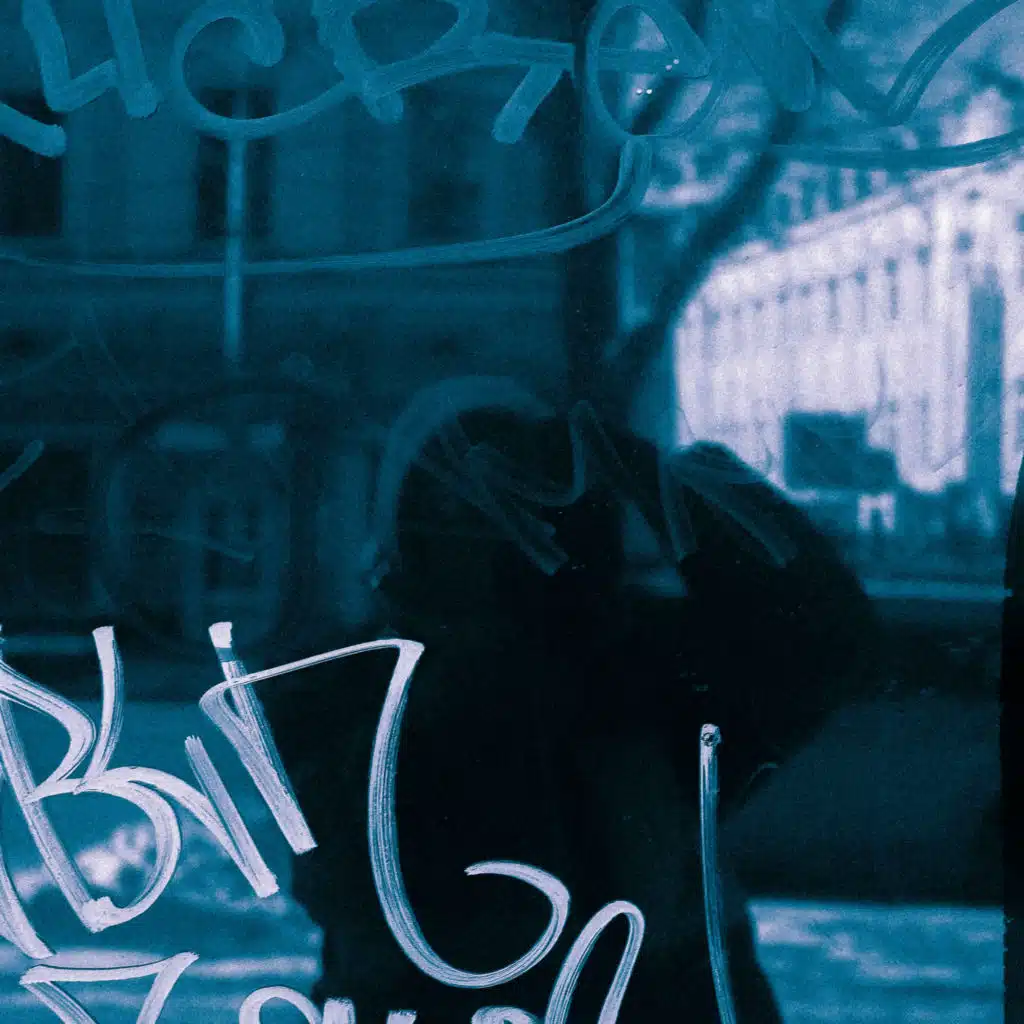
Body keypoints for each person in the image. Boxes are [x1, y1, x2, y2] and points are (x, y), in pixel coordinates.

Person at [262, 392, 881, 1021]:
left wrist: (654, 478)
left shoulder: (635, 675)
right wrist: (660, 483)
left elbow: (825, 636)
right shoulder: (349, 699)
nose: (513, 560)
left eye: (532, 523)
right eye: (474, 524)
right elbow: (826, 633)